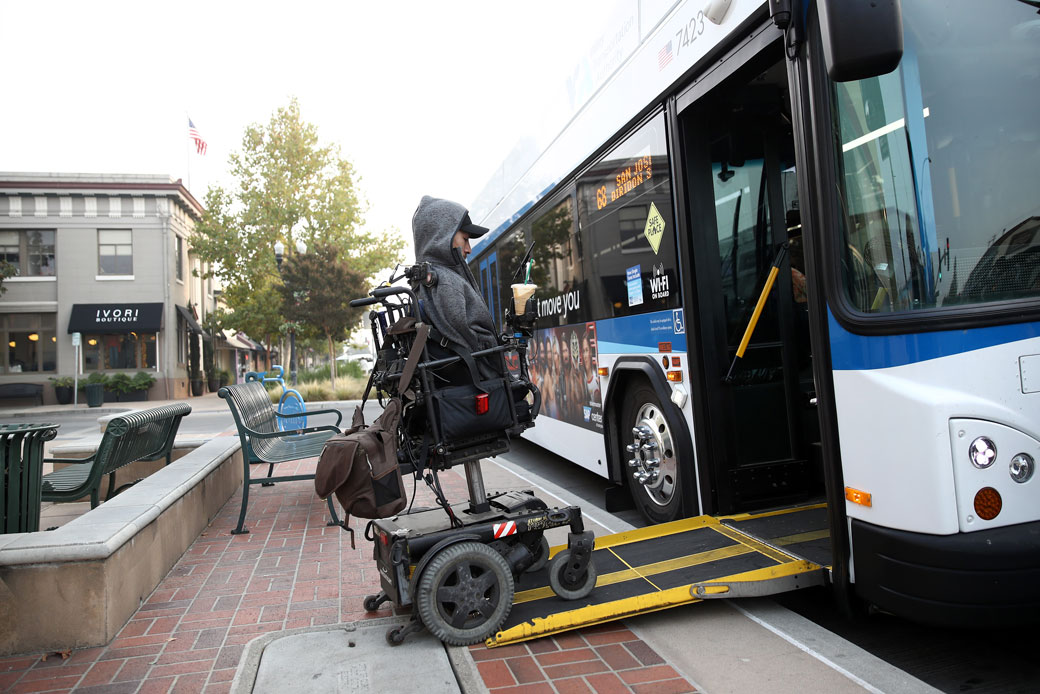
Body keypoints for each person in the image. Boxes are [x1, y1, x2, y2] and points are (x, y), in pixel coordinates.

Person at [411, 196, 498, 360]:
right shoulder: (446, 282)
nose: (469, 249)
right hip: (481, 377)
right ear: (443, 235)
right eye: (465, 239)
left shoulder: (425, 278)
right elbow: (471, 341)